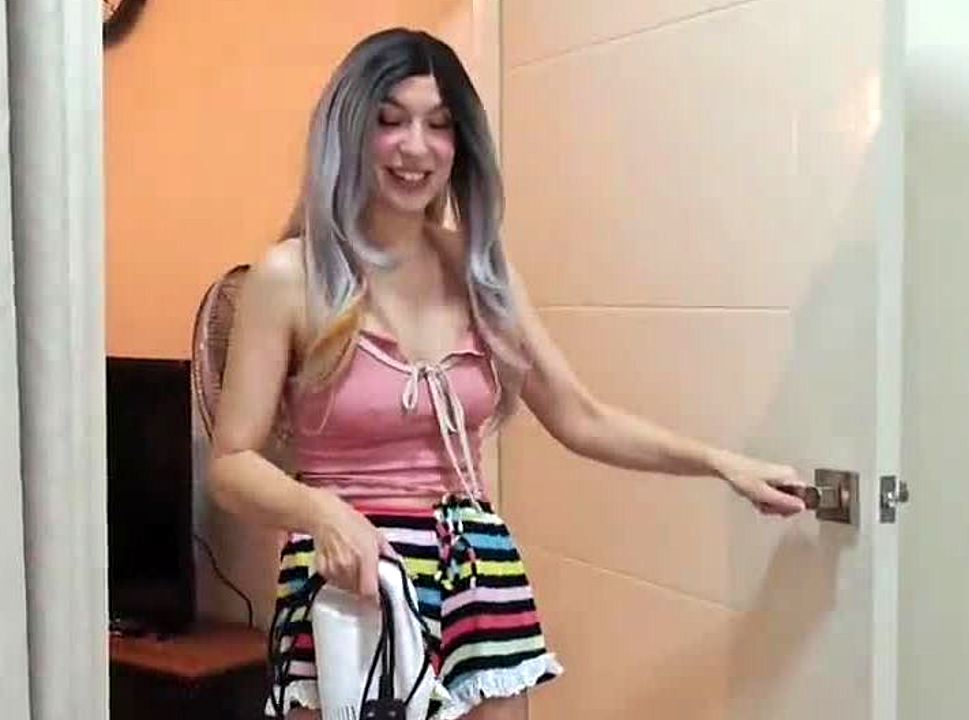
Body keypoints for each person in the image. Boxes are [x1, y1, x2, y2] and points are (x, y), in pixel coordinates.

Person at [209, 27, 808, 720]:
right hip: (352, 587)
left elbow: (582, 417)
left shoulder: (482, 272)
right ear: (350, 131)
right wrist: (322, 512)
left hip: (479, 581)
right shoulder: (291, 276)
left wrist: (723, 464)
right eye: (390, 120)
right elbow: (231, 464)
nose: (416, 147)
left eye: (440, 125)